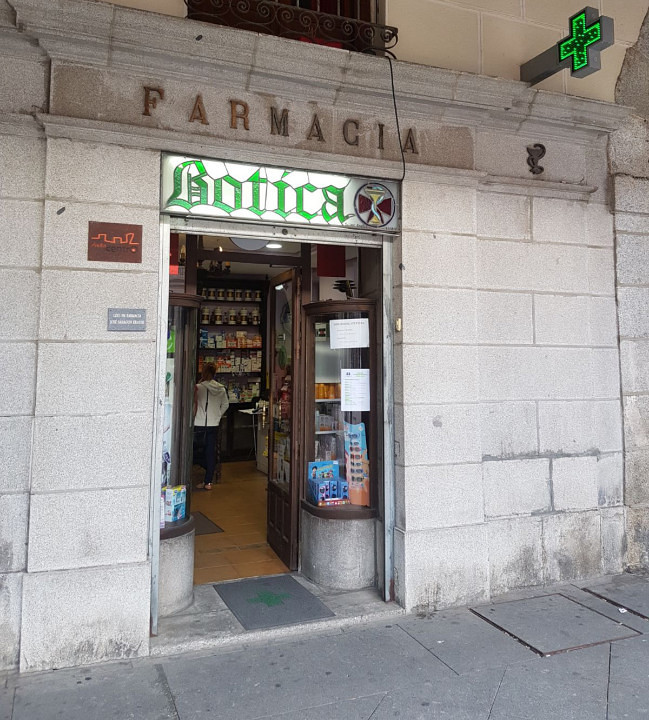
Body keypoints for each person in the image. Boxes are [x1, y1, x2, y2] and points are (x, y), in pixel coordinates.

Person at [194, 363, 229, 490]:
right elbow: (226, 405)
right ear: (214, 373)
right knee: (210, 451)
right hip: (213, 424)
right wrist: (217, 415)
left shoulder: (198, 388)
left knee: (195, 451)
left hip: (198, 423)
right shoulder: (221, 389)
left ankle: (204, 469)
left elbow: (193, 403)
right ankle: (208, 481)